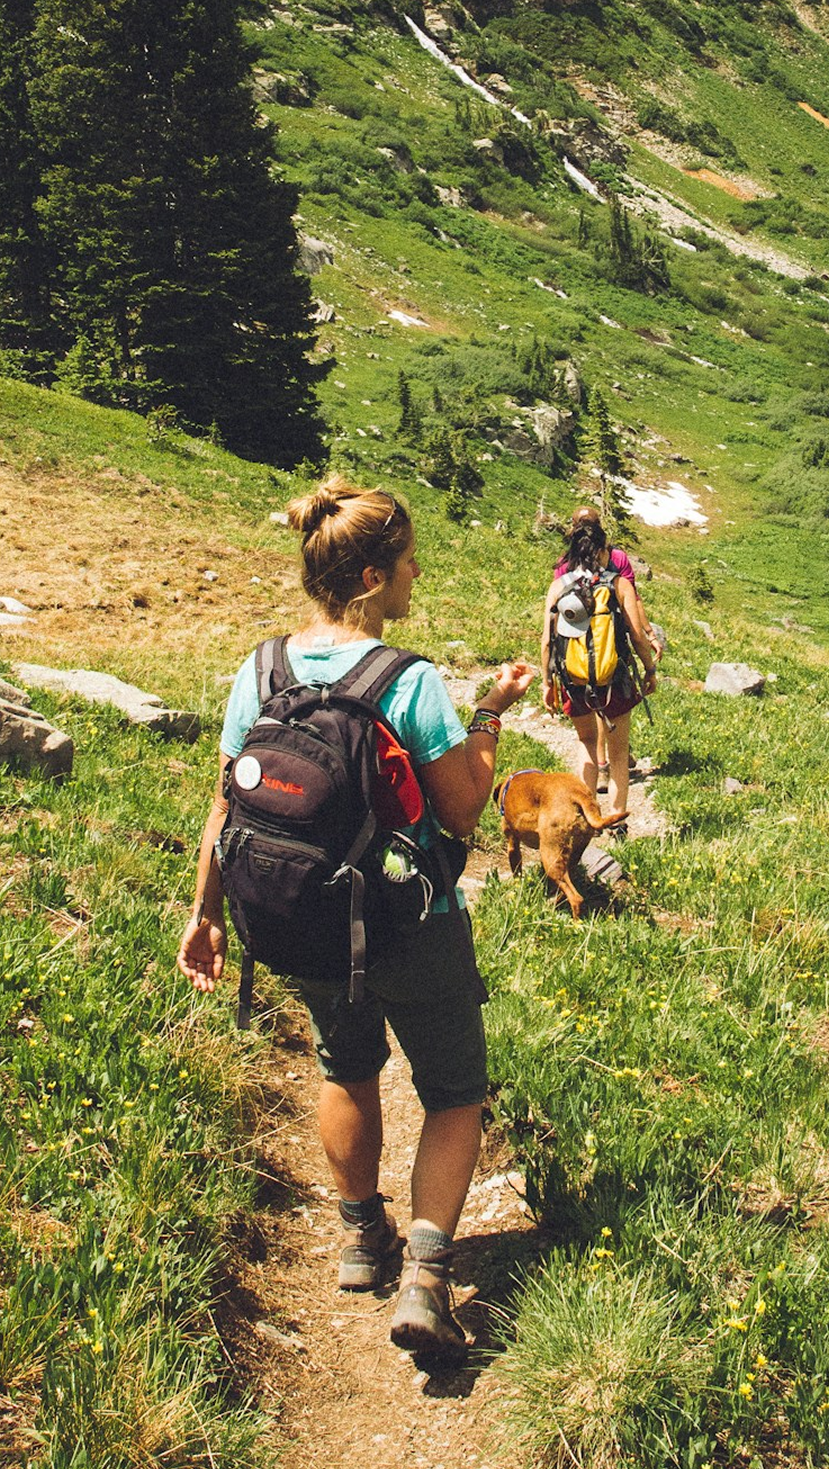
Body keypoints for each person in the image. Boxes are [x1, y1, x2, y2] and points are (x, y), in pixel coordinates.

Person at [178, 479, 533, 1358]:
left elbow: (228, 800)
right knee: (455, 1095)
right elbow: (460, 811)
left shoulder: (260, 669)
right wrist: (489, 714)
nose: (418, 573)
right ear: (374, 577)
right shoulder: (407, 682)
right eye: (409, 560)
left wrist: (205, 914)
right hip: (410, 923)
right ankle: (426, 1276)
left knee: (346, 1066)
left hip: (299, 919)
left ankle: (356, 1236)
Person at [542, 513, 659, 820]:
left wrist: (547, 683)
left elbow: (546, 641)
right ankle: (617, 820)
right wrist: (649, 670)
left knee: (586, 743)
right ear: (604, 550)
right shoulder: (618, 584)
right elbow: (636, 635)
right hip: (614, 678)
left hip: (573, 679)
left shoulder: (558, 587)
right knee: (619, 753)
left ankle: (586, 816)